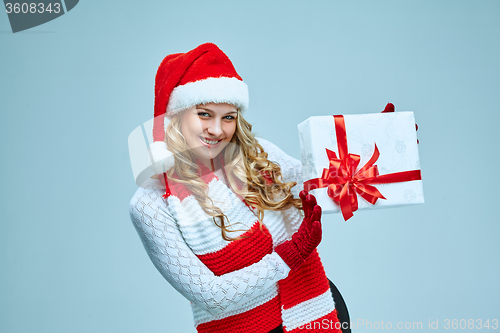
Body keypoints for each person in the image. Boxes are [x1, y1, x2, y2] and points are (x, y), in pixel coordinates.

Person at [129, 43, 347, 333]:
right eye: (204, 114)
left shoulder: (258, 154)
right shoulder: (151, 204)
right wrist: (289, 255)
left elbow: (327, 182)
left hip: (316, 309)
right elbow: (211, 296)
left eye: (228, 117)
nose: (217, 130)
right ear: (176, 116)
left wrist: (377, 146)